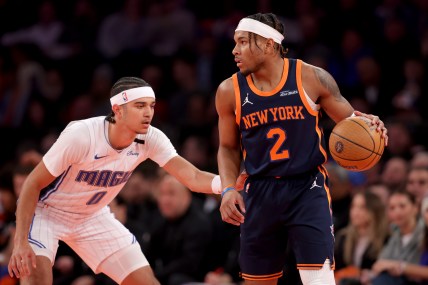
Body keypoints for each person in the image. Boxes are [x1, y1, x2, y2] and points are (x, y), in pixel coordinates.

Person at [215, 13, 389, 285]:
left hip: (307, 188)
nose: (234, 50)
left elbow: (352, 123)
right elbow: (227, 148)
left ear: (269, 45)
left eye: (243, 42)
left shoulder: (311, 77)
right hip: (259, 190)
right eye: (235, 43)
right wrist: (227, 190)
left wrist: (370, 127)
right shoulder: (228, 90)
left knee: (319, 280)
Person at [7, 76, 226, 285]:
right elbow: (32, 183)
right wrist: (20, 242)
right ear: (117, 110)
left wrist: (229, 185)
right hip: (49, 213)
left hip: (92, 215)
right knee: (35, 276)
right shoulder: (82, 135)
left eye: (151, 105)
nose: (148, 112)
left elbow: (193, 177)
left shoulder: (150, 138)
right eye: (140, 106)